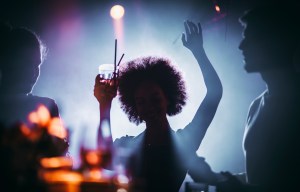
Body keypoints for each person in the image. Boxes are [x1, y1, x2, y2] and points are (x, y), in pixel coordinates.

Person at [94, 20, 222, 192]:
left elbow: (214, 92)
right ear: (135, 107)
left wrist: (199, 52)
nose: (149, 107)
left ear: (167, 98)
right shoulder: (129, 145)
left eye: (155, 99)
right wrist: (104, 104)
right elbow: (103, 158)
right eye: (141, 102)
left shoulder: (184, 142)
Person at [214, 3, 300, 192]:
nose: (241, 45)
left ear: (274, 42)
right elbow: (264, 177)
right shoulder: (256, 106)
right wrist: (220, 180)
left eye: (250, 38)